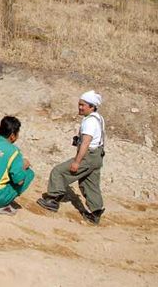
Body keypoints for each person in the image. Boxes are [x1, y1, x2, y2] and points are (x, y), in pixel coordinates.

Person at [37, 90, 106, 225]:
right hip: (97, 156)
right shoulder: (99, 118)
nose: (80, 107)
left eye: (83, 105)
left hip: (88, 156)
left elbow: (86, 142)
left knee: (59, 171)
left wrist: (77, 161)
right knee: (89, 183)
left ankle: (53, 200)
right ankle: (96, 213)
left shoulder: (89, 122)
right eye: (79, 104)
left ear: (91, 107)